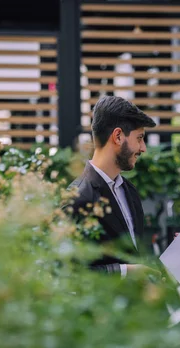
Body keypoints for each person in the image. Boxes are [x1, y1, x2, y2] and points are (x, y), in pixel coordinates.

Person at [66, 95, 156, 275]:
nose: (143, 148)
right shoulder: (76, 197)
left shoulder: (130, 191)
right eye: (139, 138)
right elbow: (69, 273)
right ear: (118, 136)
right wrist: (124, 272)